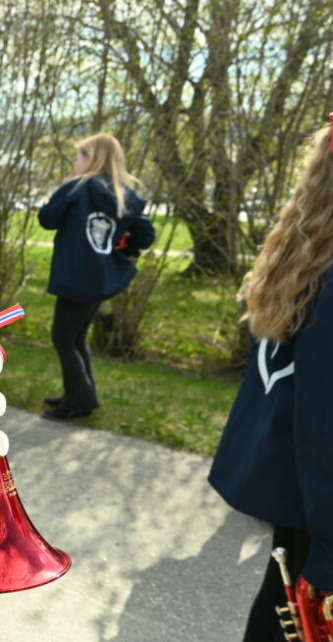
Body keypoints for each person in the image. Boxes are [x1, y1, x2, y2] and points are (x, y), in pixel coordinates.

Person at [209, 123, 333, 642]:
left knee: (280, 599)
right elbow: (325, 430)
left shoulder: (310, 254)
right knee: (295, 615)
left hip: (303, 498)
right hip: (320, 506)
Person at [37, 133, 154, 420]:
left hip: (75, 277)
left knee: (63, 338)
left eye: (78, 156)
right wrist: (121, 251)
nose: (75, 162)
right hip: (100, 277)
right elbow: (145, 234)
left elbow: (47, 219)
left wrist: (63, 188)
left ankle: (79, 401)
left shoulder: (76, 188)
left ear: (90, 158)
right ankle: (79, 394)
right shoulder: (122, 193)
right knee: (76, 338)